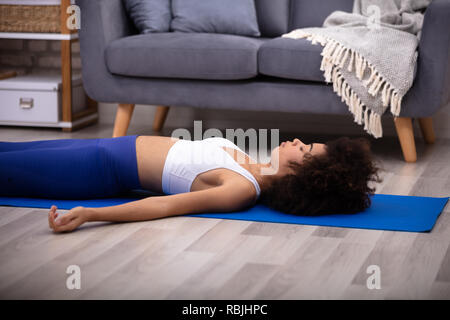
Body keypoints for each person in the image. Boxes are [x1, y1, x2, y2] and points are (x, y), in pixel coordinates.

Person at [0, 134, 382, 233]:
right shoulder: (252, 165)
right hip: (100, 149)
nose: (297, 142)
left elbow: (163, 207)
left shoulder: (242, 189)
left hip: (93, 170)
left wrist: (91, 215)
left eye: (305, 150)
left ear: (304, 174)